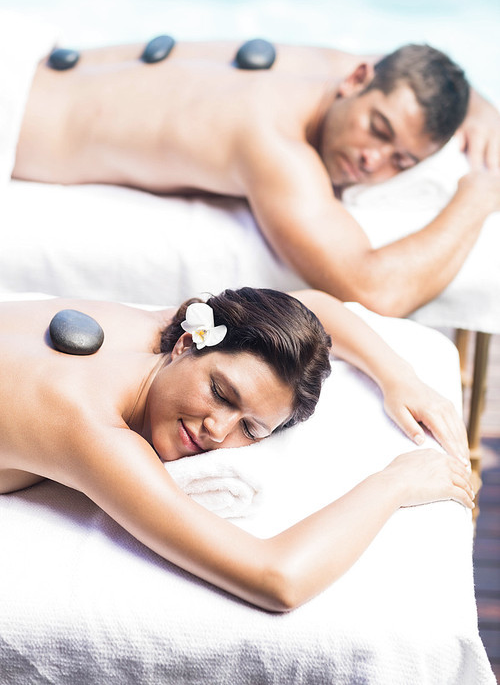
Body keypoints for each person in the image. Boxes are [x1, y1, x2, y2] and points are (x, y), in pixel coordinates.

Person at [0, 288, 473, 611]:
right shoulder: (86, 425)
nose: (217, 430)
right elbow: (277, 580)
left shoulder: (168, 332)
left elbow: (310, 307)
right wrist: (393, 482)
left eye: (250, 427)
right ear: (186, 346)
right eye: (222, 394)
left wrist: (399, 377)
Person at [11, 38, 500, 317]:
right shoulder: (274, 143)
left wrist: (484, 111)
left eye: (402, 161)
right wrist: (478, 197)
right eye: (378, 130)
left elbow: (431, 73)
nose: (375, 161)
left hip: (25, 60)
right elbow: (374, 291)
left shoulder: (320, 68)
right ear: (357, 80)